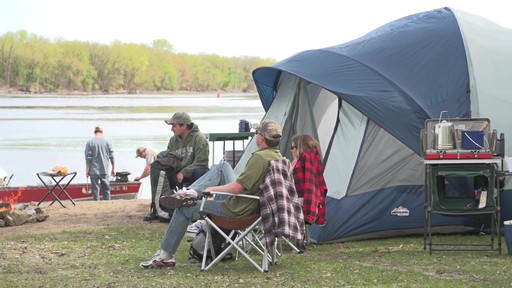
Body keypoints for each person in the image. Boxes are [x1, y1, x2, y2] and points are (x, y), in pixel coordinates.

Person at [140, 119, 283, 269]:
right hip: (253, 207)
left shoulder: (260, 158)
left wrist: (213, 189)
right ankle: (190, 193)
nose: (255, 136)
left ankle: (165, 256)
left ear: (261, 138)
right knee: (222, 167)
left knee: (183, 209)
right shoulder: (278, 156)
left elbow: (237, 189)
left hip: (238, 210)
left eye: (257, 133)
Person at [290, 134, 328, 226]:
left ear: (299, 147)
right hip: (305, 199)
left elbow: (309, 185)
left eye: (292, 147)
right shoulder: (310, 159)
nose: (291, 150)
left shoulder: (304, 160)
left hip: (300, 200)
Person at [164, 112, 209, 187]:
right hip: (178, 175)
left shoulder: (199, 138)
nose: (172, 129)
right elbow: (170, 160)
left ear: (184, 126)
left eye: (174, 126)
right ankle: (169, 196)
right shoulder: (173, 140)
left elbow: (201, 163)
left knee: (199, 171)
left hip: (193, 175)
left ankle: (197, 195)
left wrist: (183, 173)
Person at [85, 126, 116, 200]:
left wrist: (87, 169)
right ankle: (107, 206)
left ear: (94, 132)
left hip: (93, 170)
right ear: (102, 132)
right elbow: (111, 156)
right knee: (106, 190)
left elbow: (88, 157)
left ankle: (96, 206)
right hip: (104, 169)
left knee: (95, 190)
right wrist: (113, 168)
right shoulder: (107, 142)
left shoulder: (89, 143)